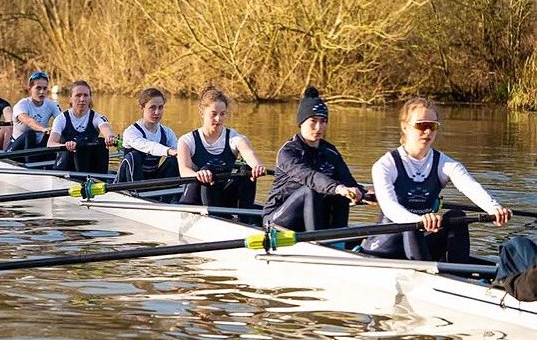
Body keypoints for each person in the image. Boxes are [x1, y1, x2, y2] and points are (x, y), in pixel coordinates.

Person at [362, 96, 512, 263]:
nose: (427, 132)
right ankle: (432, 276)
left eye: (432, 126)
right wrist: (418, 220)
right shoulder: (385, 165)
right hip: (387, 246)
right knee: (414, 227)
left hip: (421, 244)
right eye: (421, 125)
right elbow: (390, 207)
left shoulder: (445, 164)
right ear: (405, 127)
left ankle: (460, 275)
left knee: (456, 216)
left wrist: (494, 208)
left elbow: (470, 186)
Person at [261, 86, 367, 232]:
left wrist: (363, 193)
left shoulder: (330, 151)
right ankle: (317, 242)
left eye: (323, 121)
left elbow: (348, 182)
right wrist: (338, 188)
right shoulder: (288, 152)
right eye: (313, 121)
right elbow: (311, 177)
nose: (318, 127)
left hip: (312, 217)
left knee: (341, 192)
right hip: (276, 218)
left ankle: (338, 241)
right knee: (310, 191)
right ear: (301, 122)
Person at [177, 87, 266, 216]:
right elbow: (184, 171)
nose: (218, 119)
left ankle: (246, 220)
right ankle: (213, 218)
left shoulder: (235, 138)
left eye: (222, 114)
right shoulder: (187, 140)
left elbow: (249, 153)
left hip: (221, 199)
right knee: (207, 169)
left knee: (247, 171)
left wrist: (256, 166)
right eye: (213, 114)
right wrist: (199, 174)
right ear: (202, 113)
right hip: (195, 199)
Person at [48, 80, 118, 174]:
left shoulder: (97, 118)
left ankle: (101, 178)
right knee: (80, 143)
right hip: (66, 165)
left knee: (101, 142)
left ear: (90, 98)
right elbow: (51, 144)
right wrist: (66, 145)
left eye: (86, 95)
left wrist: (110, 138)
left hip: (88, 164)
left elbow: (107, 130)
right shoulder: (61, 119)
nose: (82, 99)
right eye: (78, 95)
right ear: (70, 99)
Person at [115, 87, 180, 185]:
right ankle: (137, 193)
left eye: (160, 107)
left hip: (152, 178)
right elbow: (149, 146)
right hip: (127, 182)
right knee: (134, 156)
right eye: (152, 107)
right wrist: (169, 151)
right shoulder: (131, 132)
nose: (157, 112)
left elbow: (180, 151)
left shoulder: (167, 132)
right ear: (142, 108)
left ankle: (167, 196)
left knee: (177, 159)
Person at [8, 70, 61, 156]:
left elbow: (62, 120)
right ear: (30, 89)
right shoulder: (22, 104)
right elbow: (29, 121)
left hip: (37, 146)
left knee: (53, 134)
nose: (42, 92)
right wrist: (43, 129)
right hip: (16, 149)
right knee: (30, 134)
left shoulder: (52, 104)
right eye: (38, 88)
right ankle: (31, 165)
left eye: (44, 88)